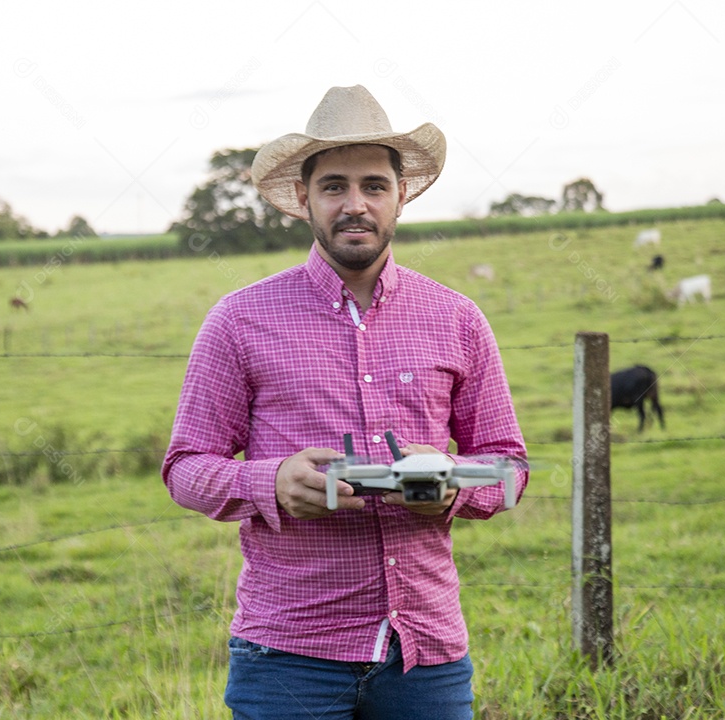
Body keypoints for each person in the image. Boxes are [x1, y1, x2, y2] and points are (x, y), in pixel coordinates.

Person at [162, 85, 527, 719]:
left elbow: (510, 467)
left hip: (425, 656)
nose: (354, 205)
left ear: (401, 195)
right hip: (288, 657)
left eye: (373, 186)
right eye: (333, 186)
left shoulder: (457, 319)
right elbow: (185, 467)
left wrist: (453, 488)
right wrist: (271, 481)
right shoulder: (239, 320)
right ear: (303, 198)